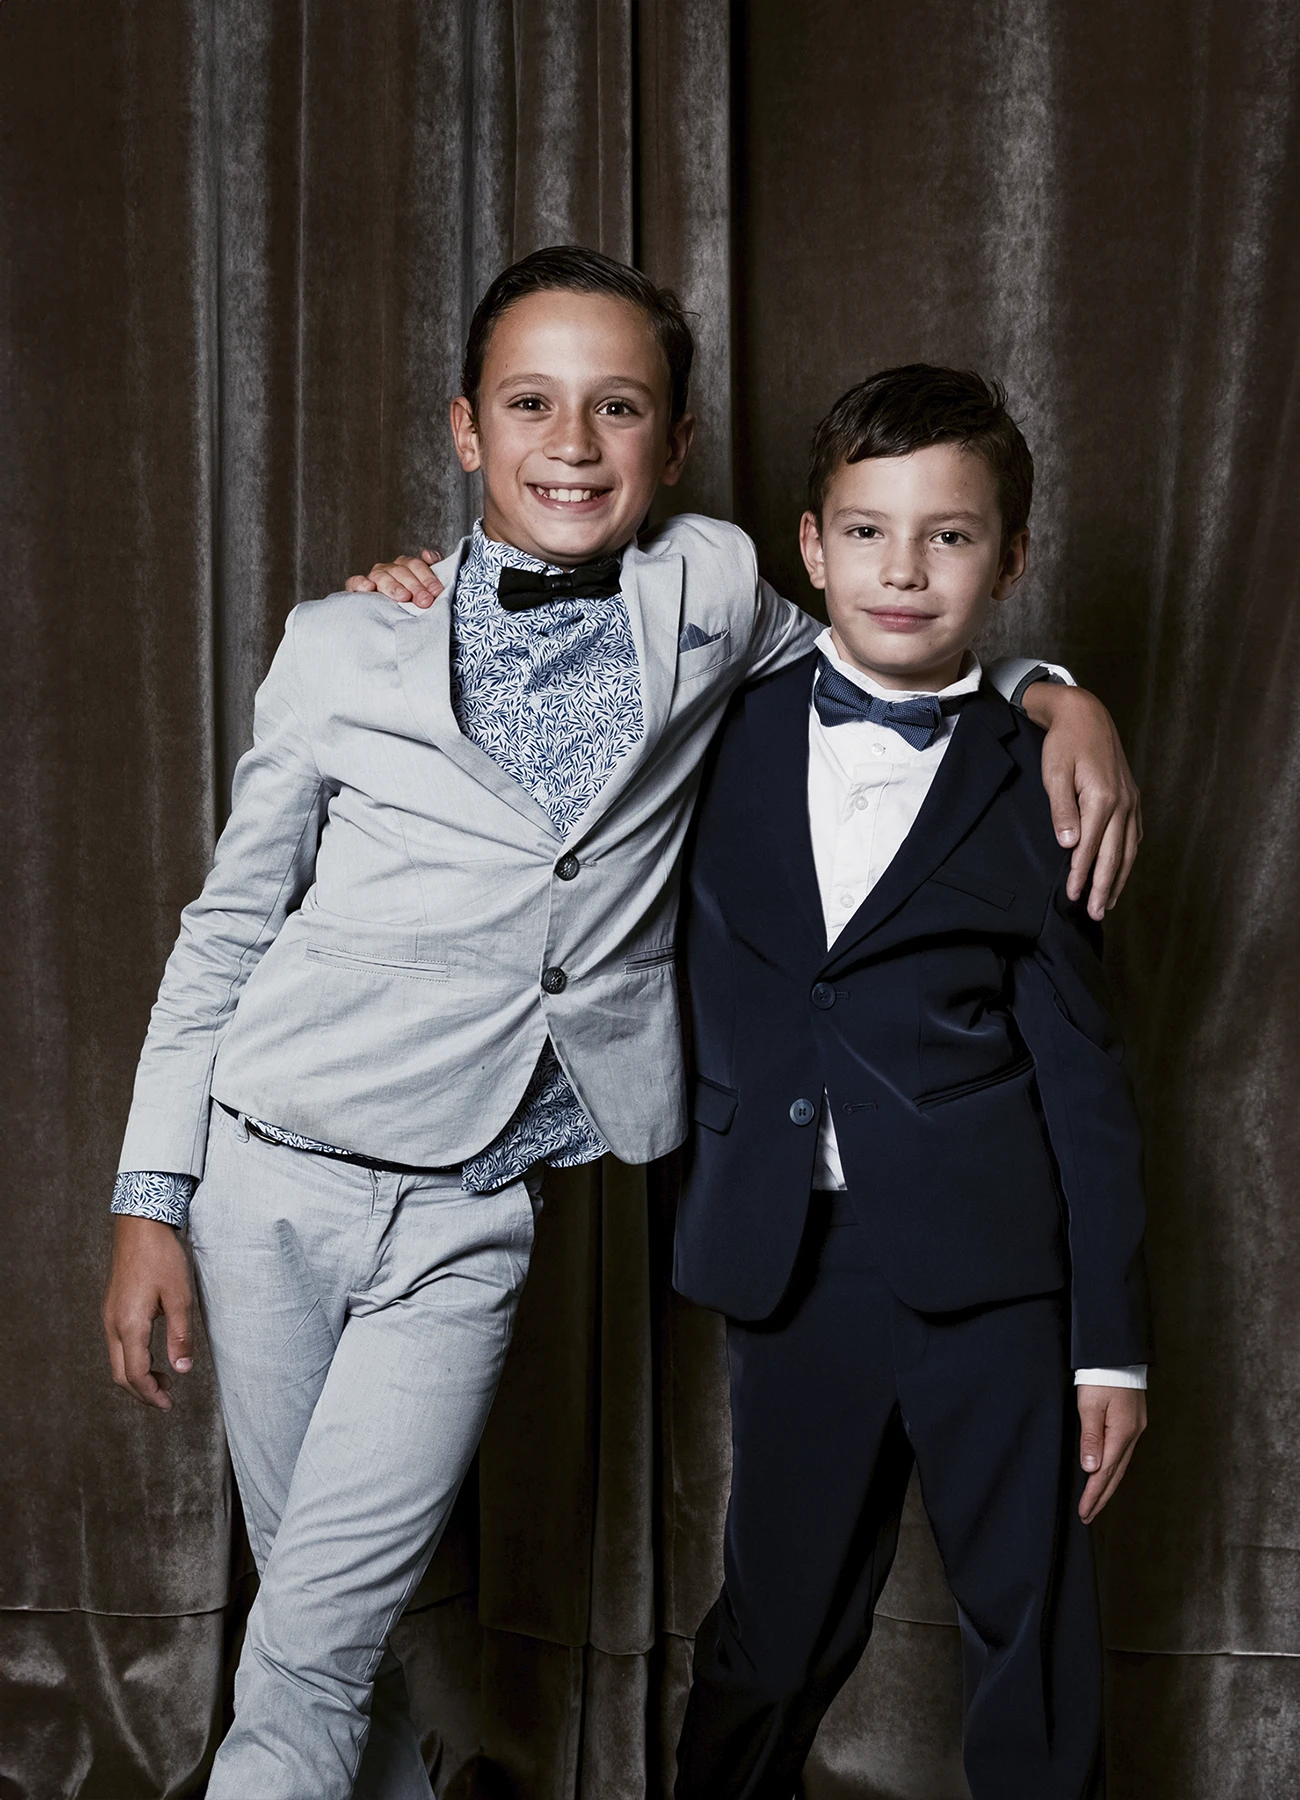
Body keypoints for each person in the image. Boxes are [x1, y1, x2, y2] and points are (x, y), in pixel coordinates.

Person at [102, 248, 1138, 1799]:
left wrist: (1058, 692)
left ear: (678, 437)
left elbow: (895, 652)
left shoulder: (712, 590)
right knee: (331, 1623)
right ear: (467, 429)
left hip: (473, 1209)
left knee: (310, 1638)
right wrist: (151, 1194)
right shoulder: (345, 642)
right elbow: (226, 930)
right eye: (530, 404)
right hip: (269, 1172)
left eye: (620, 407)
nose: (574, 444)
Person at [670, 365, 1151, 1799]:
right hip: (792, 1262)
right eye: (868, 532)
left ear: (1010, 559)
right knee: (776, 1632)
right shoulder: (716, 727)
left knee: (1032, 1632)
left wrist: (1110, 1346)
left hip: (998, 1278)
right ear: (811, 548)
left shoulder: (1037, 777)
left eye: (949, 536)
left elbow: (1086, 1083)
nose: (903, 569)